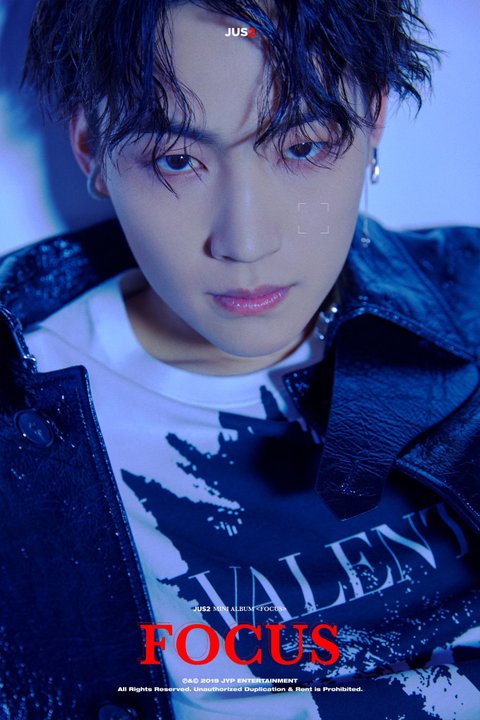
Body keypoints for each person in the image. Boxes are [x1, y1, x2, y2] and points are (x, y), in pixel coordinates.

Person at [0, 1, 479, 719]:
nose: (246, 241)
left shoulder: (470, 296)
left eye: (303, 145)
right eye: (176, 160)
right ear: (91, 147)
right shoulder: (21, 429)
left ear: (375, 120)